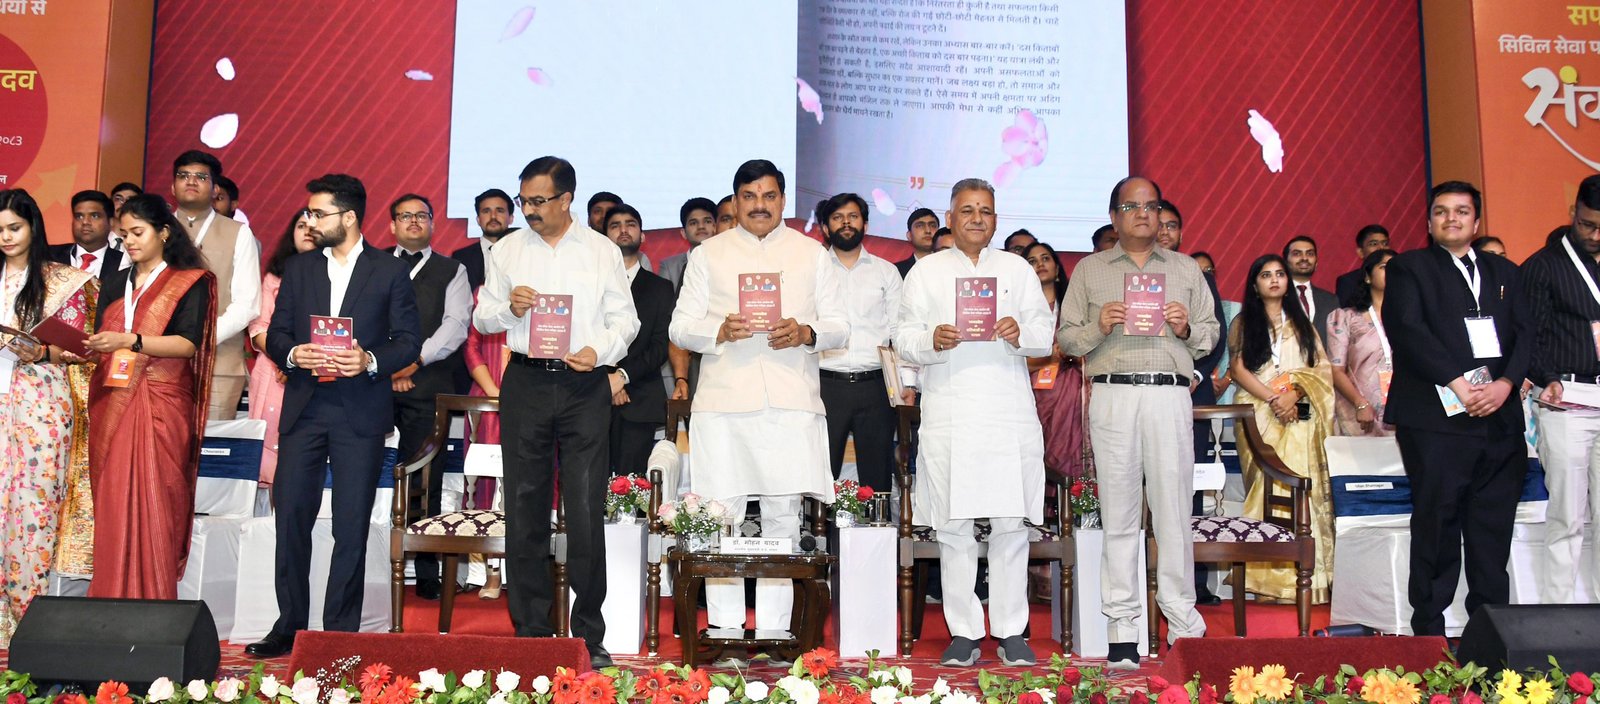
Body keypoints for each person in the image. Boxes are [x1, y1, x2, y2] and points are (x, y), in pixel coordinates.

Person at [669, 159, 846, 647]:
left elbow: (840, 326)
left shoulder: (812, 254)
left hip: (790, 399)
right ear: (736, 201)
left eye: (769, 196)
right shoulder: (709, 254)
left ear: (783, 200)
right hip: (724, 402)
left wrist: (807, 332)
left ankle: (774, 627)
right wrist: (718, 330)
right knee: (719, 513)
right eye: (749, 196)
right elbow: (680, 326)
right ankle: (725, 627)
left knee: (783, 514)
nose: (760, 205)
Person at [474, 157, 637, 669]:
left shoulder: (601, 249)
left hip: (583, 384)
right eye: (524, 201)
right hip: (525, 380)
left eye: (539, 201)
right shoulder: (507, 249)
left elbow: (625, 320)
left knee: (586, 508)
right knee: (525, 506)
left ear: (567, 200)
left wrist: (599, 351)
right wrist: (509, 309)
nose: (529, 210)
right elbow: (483, 316)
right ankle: (531, 631)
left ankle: (589, 633)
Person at [249, 174, 421, 658]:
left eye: (318, 213)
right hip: (304, 408)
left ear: (348, 217)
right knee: (291, 519)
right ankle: (288, 626)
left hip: (359, 412)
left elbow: (409, 340)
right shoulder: (299, 268)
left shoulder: (389, 270)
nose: (309, 221)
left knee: (351, 525)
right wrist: (292, 353)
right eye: (308, 213)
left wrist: (370, 360)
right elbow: (277, 331)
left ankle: (338, 632)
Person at [1059, 176, 1215, 670]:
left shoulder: (1185, 269)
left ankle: (1183, 626)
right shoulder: (1090, 270)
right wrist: (1097, 325)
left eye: (1151, 206)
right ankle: (1122, 630)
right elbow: (1067, 340)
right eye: (1132, 206)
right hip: (1114, 395)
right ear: (1114, 216)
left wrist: (1185, 327)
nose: (1143, 214)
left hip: (1169, 395)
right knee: (1120, 515)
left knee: (1173, 516)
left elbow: (1210, 335)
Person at [897, 178, 1052, 667]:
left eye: (985, 210)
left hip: (1007, 412)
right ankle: (963, 632)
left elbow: (1044, 333)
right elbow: (903, 336)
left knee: (1010, 525)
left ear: (996, 219)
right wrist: (932, 339)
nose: (977, 219)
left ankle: (1011, 631)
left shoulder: (1016, 269)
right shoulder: (926, 272)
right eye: (967, 210)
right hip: (951, 412)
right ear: (950, 217)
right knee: (954, 527)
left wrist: (1019, 332)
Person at [1384, 180, 1529, 637]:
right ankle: (1428, 632)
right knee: (1437, 523)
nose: (1452, 218)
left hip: (1500, 418)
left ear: (1476, 221)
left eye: (1462, 211)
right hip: (1436, 419)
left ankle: (1491, 636)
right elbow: (1408, 330)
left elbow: (1527, 334)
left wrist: (1505, 384)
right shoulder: (1409, 268)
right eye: (1442, 211)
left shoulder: (1506, 271)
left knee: (1492, 529)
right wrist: (1459, 384)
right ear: (1429, 222)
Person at [86, 192, 216, 600]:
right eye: (124, 235)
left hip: (162, 401)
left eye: (138, 233)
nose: (129, 241)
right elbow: (101, 339)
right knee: (113, 499)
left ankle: (154, 602)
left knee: (158, 497)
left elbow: (187, 345)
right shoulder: (114, 282)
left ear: (163, 232)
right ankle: (109, 600)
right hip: (114, 398)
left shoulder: (188, 281)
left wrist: (131, 340)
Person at [0, 189, 98, 644]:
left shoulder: (62, 281)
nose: (5, 237)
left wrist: (40, 351)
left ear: (33, 227)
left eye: (14, 228)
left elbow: (82, 350)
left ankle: (30, 625)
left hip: (40, 405)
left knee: (32, 511)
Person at [1225, 254, 1335, 602]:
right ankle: (1267, 584)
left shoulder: (1302, 324)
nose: (1274, 280)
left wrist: (1294, 394)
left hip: (1300, 410)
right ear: (1255, 284)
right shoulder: (1244, 322)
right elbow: (1238, 369)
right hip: (1258, 410)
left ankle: (1305, 581)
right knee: (1266, 485)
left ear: (1288, 282)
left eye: (1279, 274)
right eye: (1265, 275)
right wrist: (1274, 398)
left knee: (1302, 487)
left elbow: (1320, 370)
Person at [388, 194, 472, 601]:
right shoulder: (373, 263)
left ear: (433, 224)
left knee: (425, 479)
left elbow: (456, 325)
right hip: (373, 382)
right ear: (392, 225)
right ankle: (372, 564)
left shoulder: (452, 269)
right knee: (363, 474)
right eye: (405, 216)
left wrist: (414, 362)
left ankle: (425, 571)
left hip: (427, 383)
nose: (414, 222)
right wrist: (388, 367)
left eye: (421, 215)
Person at [1522, 174, 1600, 604]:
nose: (1595, 235)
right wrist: (1545, 374)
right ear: (1573, 213)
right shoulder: (1544, 266)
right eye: (1587, 224)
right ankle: (1559, 612)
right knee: (1567, 514)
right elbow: (1528, 334)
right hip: (1566, 399)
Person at [1157, 200, 1228, 605]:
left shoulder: (1195, 275)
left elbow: (1215, 335)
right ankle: (1148, 577)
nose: (1164, 232)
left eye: (1172, 225)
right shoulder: (1129, 276)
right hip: (1144, 394)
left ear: (1181, 233)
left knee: (1191, 488)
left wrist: (1196, 375)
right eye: (1159, 224)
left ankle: (1195, 582)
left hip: (1191, 397)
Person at [816, 193, 904, 493]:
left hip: (876, 386)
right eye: (837, 218)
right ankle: (818, 523)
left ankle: (877, 523)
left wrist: (906, 382)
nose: (846, 223)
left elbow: (898, 331)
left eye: (853, 217)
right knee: (820, 472)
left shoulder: (886, 271)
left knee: (877, 475)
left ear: (865, 224)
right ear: (825, 227)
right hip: (825, 384)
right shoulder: (813, 271)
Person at [169, 150, 262, 420]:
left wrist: (201, 337)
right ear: (172, 187)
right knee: (159, 441)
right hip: (157, 360)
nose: (191, 181)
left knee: (211, 443)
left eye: (201, 177)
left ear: (214, 189)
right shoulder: (153, 230)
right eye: (183, 175)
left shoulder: (239, 233)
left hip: (219, 363)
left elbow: (247, 303)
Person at [601, 204, 671, 476]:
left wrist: (622, 377)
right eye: (615, 225)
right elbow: (584, 337)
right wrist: (608, 379)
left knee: (631, 487)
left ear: (642, 235)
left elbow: (660, 346)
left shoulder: (660, 287)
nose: (623, 230)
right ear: (604, 238)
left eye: (630, 224)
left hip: (640, 398)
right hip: (592, 395)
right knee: (590, 484)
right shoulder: (590, 285)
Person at [248, 214, 317, 488]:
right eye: (301, 226)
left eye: (313, 226)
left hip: (315, 372)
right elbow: (259, 327)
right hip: (271, 369)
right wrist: (285, 358)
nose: (307, 231)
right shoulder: (273, 277)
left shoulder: (337, 277)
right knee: (267, 458)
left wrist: (298, 363)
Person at [1022, 241, 1087, 478]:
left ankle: (1069, 495)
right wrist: (1051, 356)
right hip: (1029, 388)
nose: (1040, 264)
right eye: (1032, 261)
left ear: (1058, 268)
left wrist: (1072, 352)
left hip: (1068, 390)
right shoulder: (1018, 311)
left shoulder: (1075, 307)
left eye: (1045, 258)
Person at [1327, 249, 1398, 437]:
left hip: (1403, 410)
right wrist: (1360, 403)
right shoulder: (1346, 318)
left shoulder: (1410, 318)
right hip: (1360, 411)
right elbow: (1336, 370)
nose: (1392, 272)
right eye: (1384, 267)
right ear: (1367, 277)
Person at [452, 188, 519, 291]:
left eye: (500, 211)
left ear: (511, 218)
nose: (493, 216)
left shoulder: (523, 253)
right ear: (478, 220)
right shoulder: (460, 258)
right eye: (486, 211)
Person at [50, 191, 124, 278]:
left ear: (111, 222)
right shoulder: (49, 256)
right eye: (79, 216)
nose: (85, 222)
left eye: (94, 216)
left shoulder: (123, 263)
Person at [1284, 235, 1338, 344]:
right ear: (1285, 263)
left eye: (1310, 254)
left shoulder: (1331, 300)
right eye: (1297, 254)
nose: (1304, 258)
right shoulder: (1275, 298)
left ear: (1316, 263)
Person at [659, 197, 718, 291]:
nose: (701, 227)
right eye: (693, 223)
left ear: (716, 227)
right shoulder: (669, 267)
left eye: (707, 221)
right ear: (683, 233)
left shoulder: (728, 260)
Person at [1336, 225, 1391, 307]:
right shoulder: (1348, 281)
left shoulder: (1399, 276)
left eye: (1385, 243)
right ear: (1360, 252)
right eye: (1374, 244)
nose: (1381, 248)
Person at [895, 207, 940, 278]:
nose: (928, 231)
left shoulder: (951, 266)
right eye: (920, 226)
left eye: (933, 226)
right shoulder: (896, 271)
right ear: (909, 235)